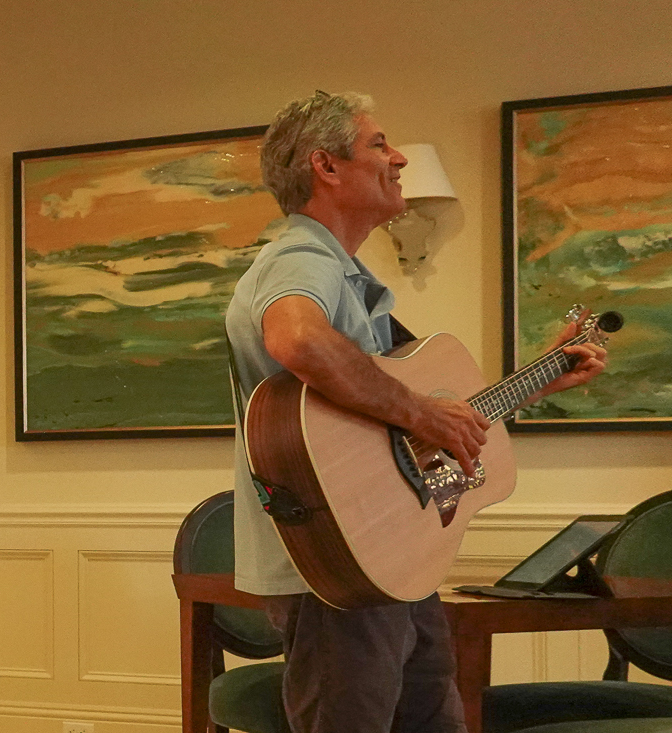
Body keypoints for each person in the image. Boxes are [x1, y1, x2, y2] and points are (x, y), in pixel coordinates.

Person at [224, 91, 608, 733]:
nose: (399, 158)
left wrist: (537, 380)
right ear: (325, 166)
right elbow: (297, 340)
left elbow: (401, 420)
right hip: (340, 559)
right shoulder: (301, 257)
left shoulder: (345, 276)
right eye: (378, 145)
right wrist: (425, 415)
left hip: (393, 553)